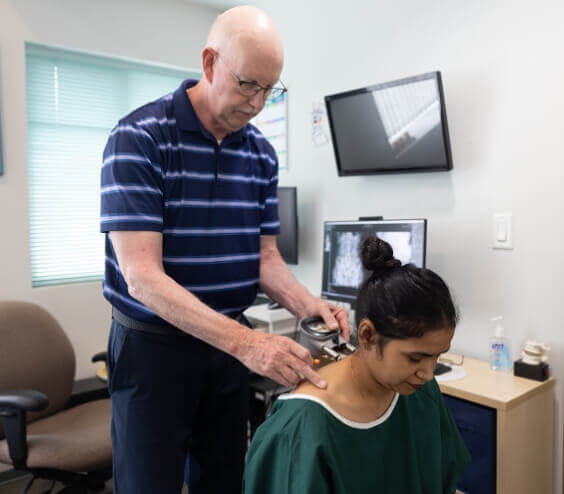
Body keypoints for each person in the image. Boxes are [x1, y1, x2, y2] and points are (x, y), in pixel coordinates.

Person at [99, 5, 350, 494]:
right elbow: (141, 277)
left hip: (227, 352)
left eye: (270, 89)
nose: (258, 104)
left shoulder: (259, 153)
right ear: (210, 63)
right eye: (247, 85)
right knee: (149, 484)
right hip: (155, 351)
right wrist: (250, 343)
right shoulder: (139, 139)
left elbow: (265, 259)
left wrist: (309, 306)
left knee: (224, 479)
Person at [244, 236, 470, 494]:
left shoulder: (421, 394)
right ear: (366, 335)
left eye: (437, 356)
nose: (429, 374)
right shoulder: (300, 431)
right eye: (415, 358)